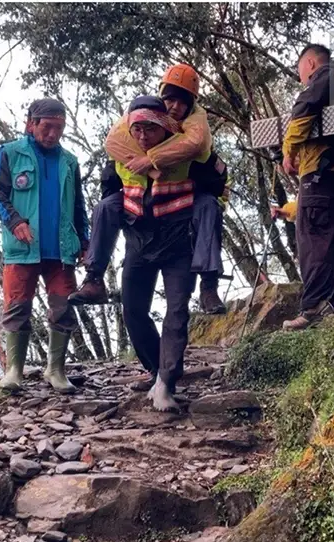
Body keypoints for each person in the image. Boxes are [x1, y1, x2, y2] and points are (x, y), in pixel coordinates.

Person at [70, 64, 228, 315]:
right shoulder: (133, 125)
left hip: (179, 211)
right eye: (170, 99)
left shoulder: (196, 129)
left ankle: (209, 286)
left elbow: (202, 154)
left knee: (209, 205)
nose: (175, 107)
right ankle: (94, 278)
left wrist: (151, 160)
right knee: (105, 207)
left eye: (182, 102)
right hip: (139, 212)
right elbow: (111, 153)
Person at [117, 98, 226, 412]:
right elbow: (110, 195)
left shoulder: (190, 153)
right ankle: (156, 370)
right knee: (132, 311)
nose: (143, 136)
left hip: (180, 245)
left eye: (150, 129)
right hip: (139, 244)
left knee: (176, 312)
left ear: (165, 128)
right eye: (137, 129)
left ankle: (166, 382)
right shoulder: (122, 154)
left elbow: (216, 185)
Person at [0, 98, 89, 393]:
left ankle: (55, 369)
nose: (53, 134)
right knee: (17, 305)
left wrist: (84, 241)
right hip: (22, 247)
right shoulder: (10, 153)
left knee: (63, 307)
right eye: (47, 127)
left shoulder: (69, 161)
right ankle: (14, 371)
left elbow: (78, 205)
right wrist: (14, 221)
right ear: (31, 124)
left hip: (62, 249)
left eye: (59, 128)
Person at [279, 43, 334, 331]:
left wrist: (288, 151)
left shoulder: (325, 77)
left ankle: (313, 307)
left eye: (300, 69)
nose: (301, 77)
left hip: (318, 171)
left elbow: (304, 110)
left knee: (312, 240)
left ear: (311, 63)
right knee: (333, 241)